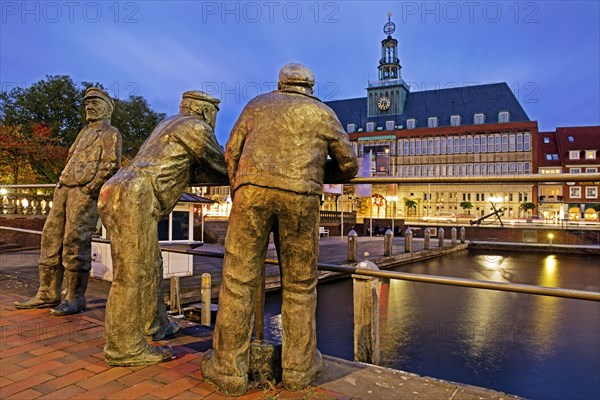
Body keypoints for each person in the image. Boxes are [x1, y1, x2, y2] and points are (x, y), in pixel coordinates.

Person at [201, 63, 358, 395]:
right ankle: (299, 369)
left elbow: (231, 151)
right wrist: (314, 173)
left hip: (251, 192)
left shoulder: (257, 105)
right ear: (309, 88)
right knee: (300, 286)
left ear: (281, 84)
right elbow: (350, 164)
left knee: (237, 281)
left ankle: (228, 370)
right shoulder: (323, 112)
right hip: (301, 197)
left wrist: (239, 188)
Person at [98, 91, 227, 367]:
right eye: (214, 115)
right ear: (206, 112)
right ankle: (124, 348)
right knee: (132, 273)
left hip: (120, 187)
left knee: (151, 263)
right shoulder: (196, 126)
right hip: (137, 193)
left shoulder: (168, 124)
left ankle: (155, 324)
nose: (214, 121)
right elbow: (222, 166)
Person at [15, 87, 122, 316]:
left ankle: (75, 297)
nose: (89, 106)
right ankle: (47, 292)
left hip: (83, 192)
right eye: (86, 103)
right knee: (50, 238)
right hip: (64, 188)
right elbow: (72, 157)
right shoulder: (83, 132)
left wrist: (91, 188)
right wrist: (61, 184)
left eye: (94, 103)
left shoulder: (110, 133)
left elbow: (111, 164)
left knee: (75, 240)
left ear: (106, 108)